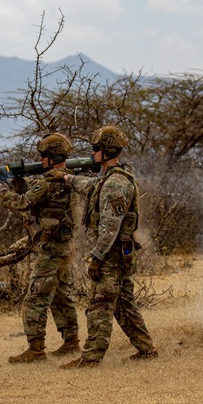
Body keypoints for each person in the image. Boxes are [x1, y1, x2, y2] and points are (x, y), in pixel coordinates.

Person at [59, 125, 157, 368]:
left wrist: (97, 257)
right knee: (123, 303)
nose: (92, 153)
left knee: (99, 306)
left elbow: (110, 228)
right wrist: (65, 177)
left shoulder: (114, 184)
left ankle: (91, 357)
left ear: (107, 150)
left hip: (111, 254)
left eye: (95, 149)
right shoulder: (112, 179)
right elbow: (89, 186)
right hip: (119, 253)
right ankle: (146, 349)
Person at [0, 133, 82, 363]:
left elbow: (22, 203)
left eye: (43, 155)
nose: (40, 159)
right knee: (61, 296)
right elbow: (38, 199)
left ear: (53, 156)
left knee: (35, 299)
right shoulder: (67, 178)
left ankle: (36, 350)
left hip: (52, 249)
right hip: (65, 247)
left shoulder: (48, 182)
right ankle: (71, 342)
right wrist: (20, 184)